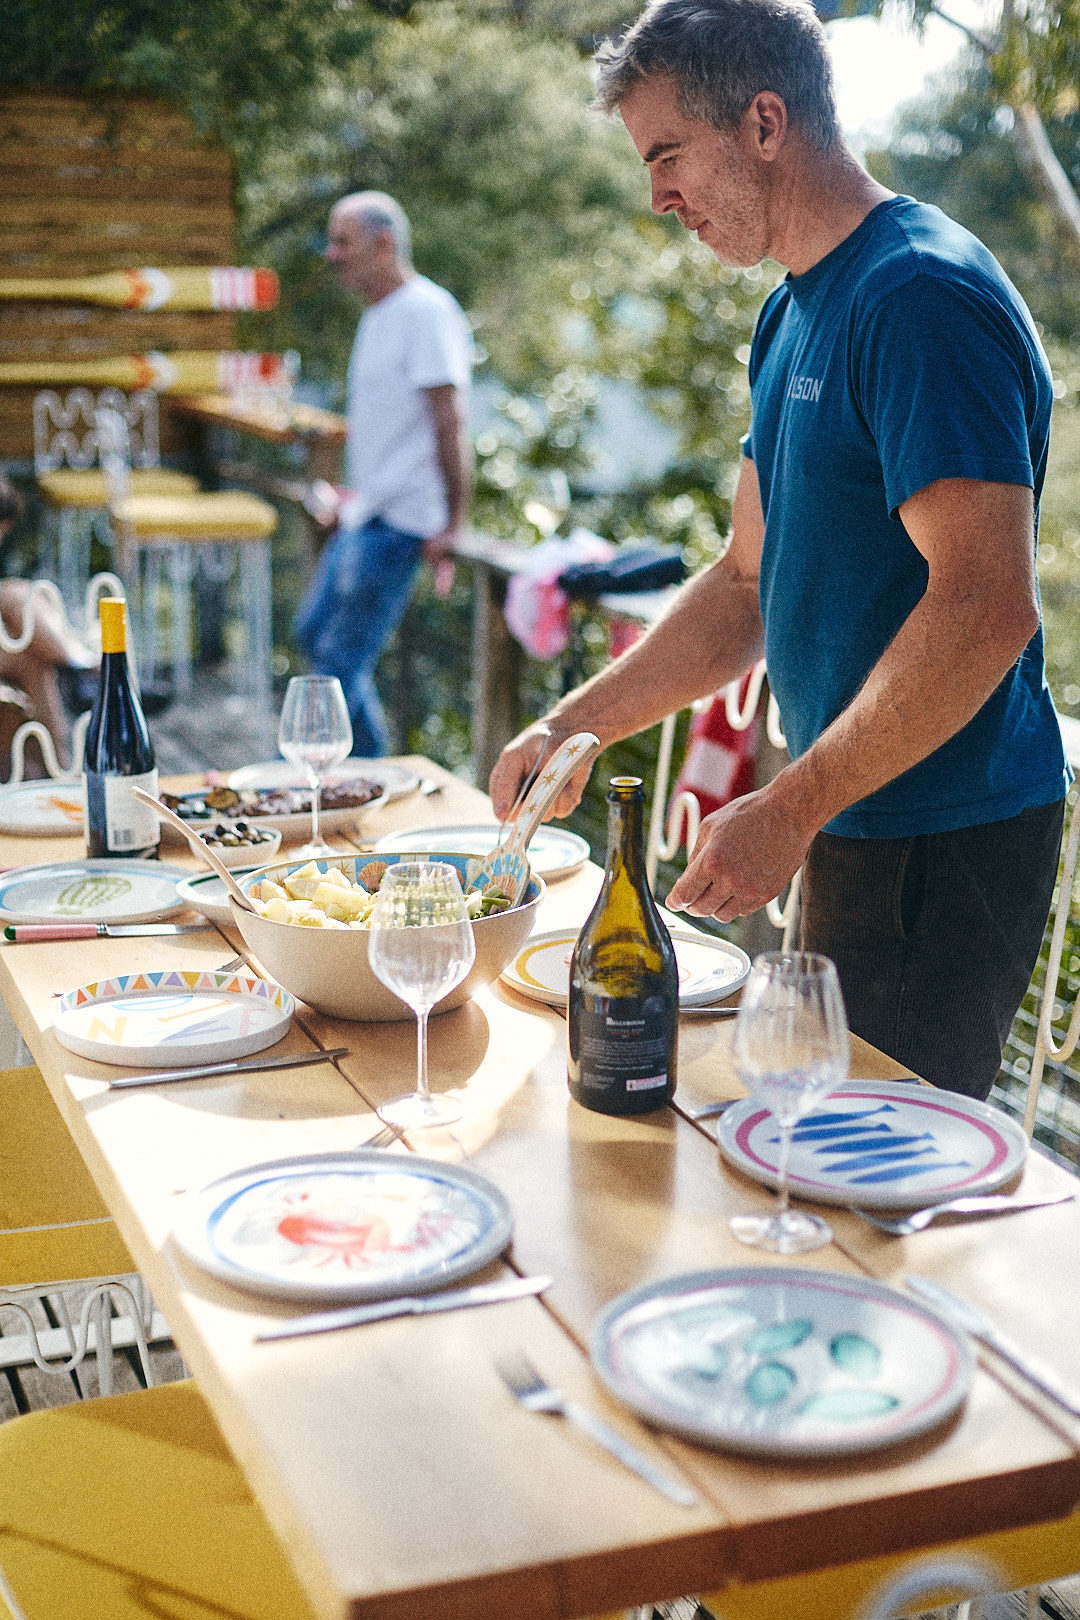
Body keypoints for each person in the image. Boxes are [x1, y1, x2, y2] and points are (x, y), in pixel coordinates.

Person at [490, 0, 1070, 1102]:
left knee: (871, 1181)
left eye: (667, 154)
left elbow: (989, 606)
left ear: (765, 122)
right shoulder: (793, 310)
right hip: (854, 807)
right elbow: (746, 583)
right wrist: (574, 725)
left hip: (941, 832)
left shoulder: (918, 297)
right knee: (807, 1141)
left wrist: (792, 806)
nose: (657, 196)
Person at [295, 191, 472, 757]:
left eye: (343, 242)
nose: (331, 254)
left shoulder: (427, 310)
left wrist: (454, 521)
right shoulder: (378, 315)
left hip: (403, 521)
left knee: (338, 661)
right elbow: (390, 427)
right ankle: (376, 772)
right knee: (314, 638)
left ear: (384, 244)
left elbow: (449, 419)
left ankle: (331, 777)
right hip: (365, 513)